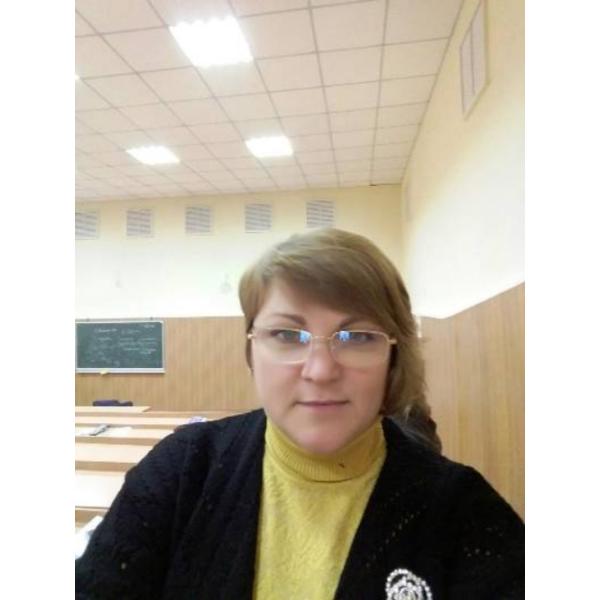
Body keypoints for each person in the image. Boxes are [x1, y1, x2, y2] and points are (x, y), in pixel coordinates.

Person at [76, 228, 524, 599]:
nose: (320, 370)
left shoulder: (467, 516)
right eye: (288, 335)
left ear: (394, 357)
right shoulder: (181, 471)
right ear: (251, 351)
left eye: (357, 337)